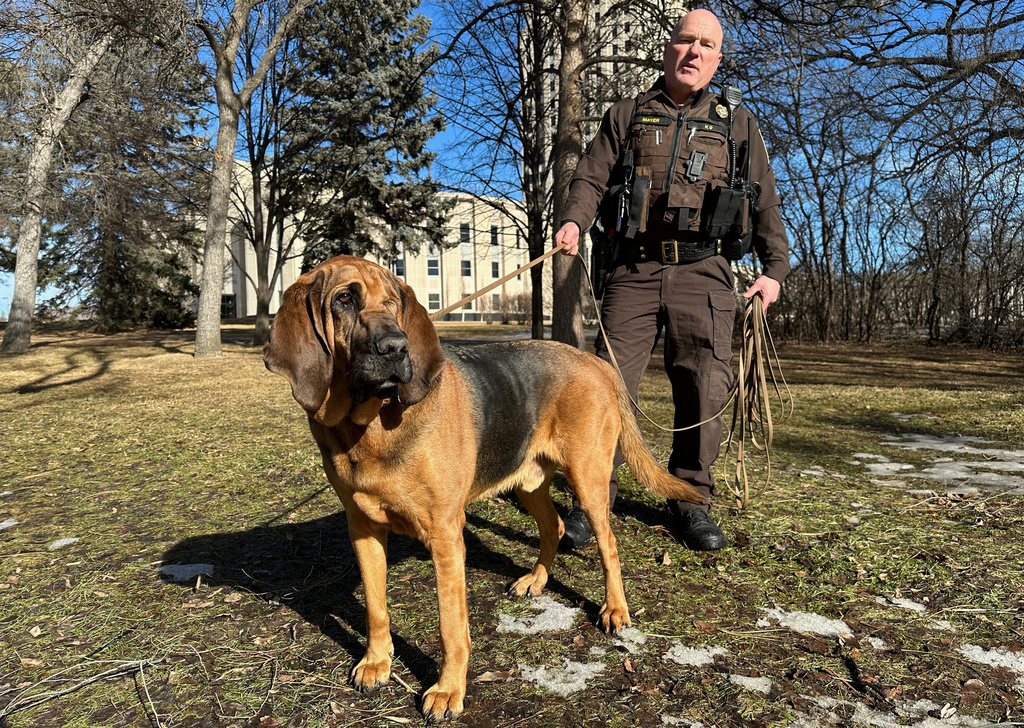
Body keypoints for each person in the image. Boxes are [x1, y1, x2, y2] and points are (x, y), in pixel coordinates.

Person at [554, 9, 790, 551]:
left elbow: (764, 201)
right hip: (633, 270)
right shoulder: (627, 114)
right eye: (686, 40)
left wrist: (774, 270)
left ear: (718, 58)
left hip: (705, 273)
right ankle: (593, 500)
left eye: (706, 45)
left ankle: (690, 501)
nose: (694, 52)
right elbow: (590, 176)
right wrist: (573, 219)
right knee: (605, 387)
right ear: (669, 48)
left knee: (704, 387)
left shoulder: (738, 124)